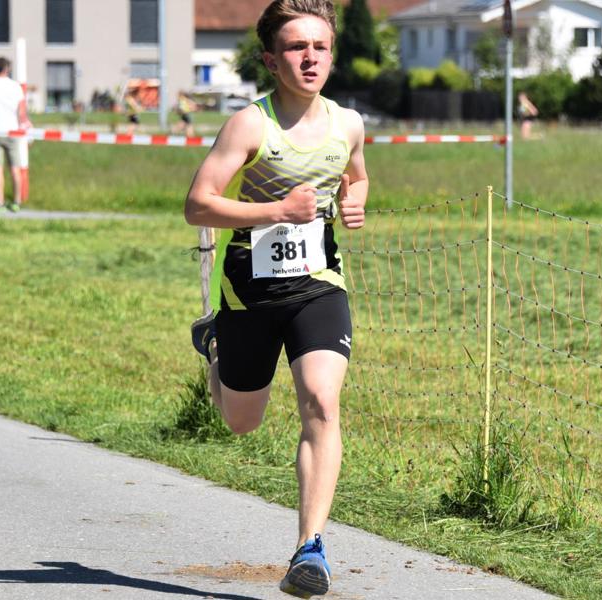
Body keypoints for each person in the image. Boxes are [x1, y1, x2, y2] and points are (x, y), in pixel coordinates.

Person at [183, 1, 368, 596]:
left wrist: (356, 198)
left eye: (320, 46)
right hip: (248, 288)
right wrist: (276, 210)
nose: (309, 56)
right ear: (271, 59)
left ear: (332, 56)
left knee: (321, 400)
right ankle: (216, 345)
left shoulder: (348, 124)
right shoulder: (249, 125)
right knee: (243, 422)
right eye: (295, 47)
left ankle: (309, 549)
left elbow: (356, 174)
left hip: (320, 282)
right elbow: (199, 204)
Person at [0, 57, 30, 212]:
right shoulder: (16, 87)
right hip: (13, 131)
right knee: (15, 168)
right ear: (7, 69)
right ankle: (16, 201)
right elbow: (22, 113)